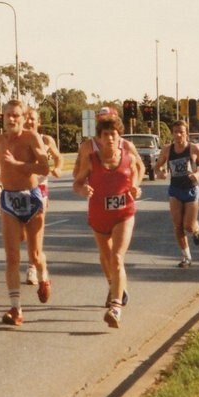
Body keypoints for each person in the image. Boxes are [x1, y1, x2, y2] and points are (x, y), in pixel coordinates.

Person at [73, 107, 144, 328]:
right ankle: (115, 285)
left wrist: (135, 186)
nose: (110, 137)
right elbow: (77, 179)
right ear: (99, 135)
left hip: (124, 212)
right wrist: (83, 188)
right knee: (105, 258)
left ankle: (115, 306)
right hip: (98, 214)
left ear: (119, 133)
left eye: (114, 132)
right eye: (105, 132)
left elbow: (138, 169)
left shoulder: (128, 152)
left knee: (116, 257)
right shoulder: (90, 153)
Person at [0, 99, 50, 326]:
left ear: (23, 117)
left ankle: (44, 277)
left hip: (31, 198)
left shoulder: (31, 138)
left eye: (16, 115)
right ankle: (16, 309)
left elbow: (44, 168)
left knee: (35, 254)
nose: (11, 119)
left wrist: (18, 164)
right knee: (11, 256)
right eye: (8, 115)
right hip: (9, 199)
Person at [155, 120, 199, 268]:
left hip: (191, 189)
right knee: (178, 226)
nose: (178, 135)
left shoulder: (193, 148)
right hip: (175, 190)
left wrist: (198, 174)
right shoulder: (167, 150)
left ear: (186, 133)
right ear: (172, 133)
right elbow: (157, 167)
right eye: (175, 132)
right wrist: (161, 173)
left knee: (188, 227)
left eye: (181, 132)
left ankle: (196, 228)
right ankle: (187, 257)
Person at [22, 107, 63, 287]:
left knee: (36, 230)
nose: (29, 121)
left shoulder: (46, 140)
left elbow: (58, 157)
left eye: (33, 119)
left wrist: (58, 168)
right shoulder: (18, 140)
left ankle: (32, 266)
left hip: (40, 188)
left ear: (39, 122)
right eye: (27, 118)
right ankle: (35, 258)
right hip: (20, 187)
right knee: (22, 233)